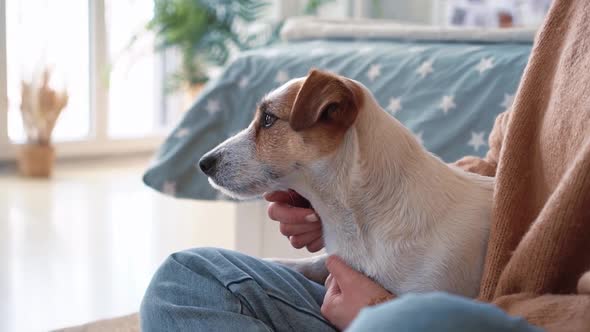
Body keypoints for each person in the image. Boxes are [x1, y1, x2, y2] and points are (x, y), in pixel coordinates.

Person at [140, 0, 590, 330]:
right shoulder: (568, 15)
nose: (250, 137)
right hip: (385, 296)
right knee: (184, 279)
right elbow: (508, 162)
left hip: (492, 316)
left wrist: (379, 312)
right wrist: (351, 206)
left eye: (268, 122)